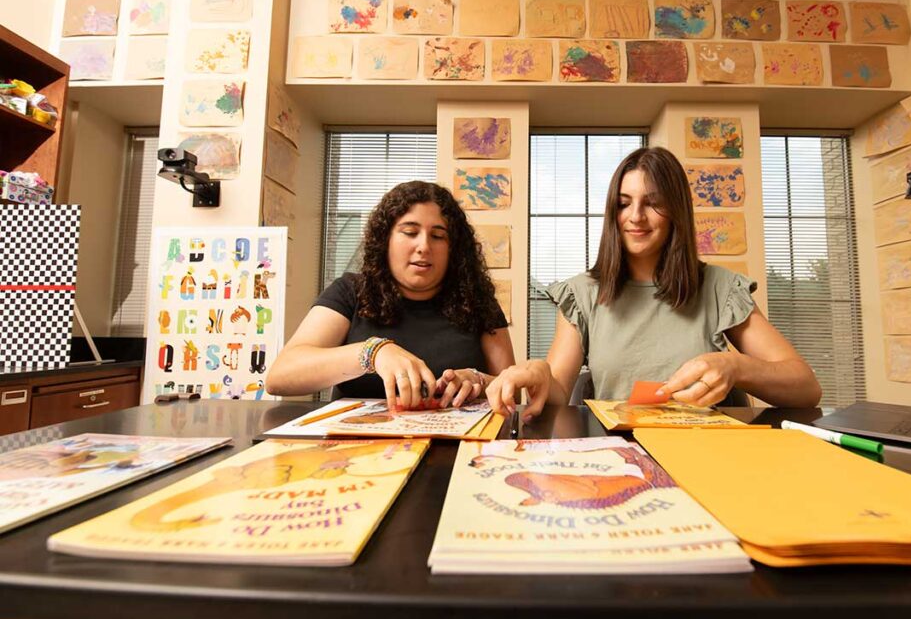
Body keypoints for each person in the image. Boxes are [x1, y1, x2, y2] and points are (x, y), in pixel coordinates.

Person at [486, 146, 821, 422]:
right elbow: (557, 392)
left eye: (653, 203)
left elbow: (806, 388)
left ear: (676, 210)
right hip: (622, 456)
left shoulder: (720, 288)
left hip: (710, 455)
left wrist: (736, 367)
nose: (636, 217)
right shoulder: (582, 293)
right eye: (624, 203)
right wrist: (541, 376)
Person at [266, 181, 515, 411]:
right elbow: (280, 378)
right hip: (356, 452)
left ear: (454, 249)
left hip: (457, 449)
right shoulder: (350, 292)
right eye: (409, 232)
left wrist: (478, 379)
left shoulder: (478, 301)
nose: (424, 246)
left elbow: (512, 392)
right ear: (385, 239)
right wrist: (373, 352)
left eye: (438, 236)